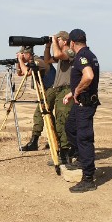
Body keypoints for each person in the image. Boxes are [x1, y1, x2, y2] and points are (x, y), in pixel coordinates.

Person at [63, 29, 100, 193]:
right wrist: (73, 93)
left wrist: (77, 91)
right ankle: (81, 158)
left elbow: (89, 76)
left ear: (71, 43)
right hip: (81, 102)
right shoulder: (89, 54)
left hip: (84, 105)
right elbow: (86, 80)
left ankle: (88, 178)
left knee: (84, 138)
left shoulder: (82, 56)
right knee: (70, 128)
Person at [43, 31, 75, 164]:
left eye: (59, 39)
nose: (57, 40)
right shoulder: (62, 55)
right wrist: (48, 45)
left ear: (65, 41)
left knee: (62, 121)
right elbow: (47, 60)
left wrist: (54, 42)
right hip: (59, 90)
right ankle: (63, 150)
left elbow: (57, 54)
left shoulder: (70, 52)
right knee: (57, 120)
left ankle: (65, 154)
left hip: (66, 89)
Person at [16, 46, 52, 151]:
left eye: (22, 54)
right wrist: (19, 62)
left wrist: (20, 60)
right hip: (47, 90)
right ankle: (55, 140)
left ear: (28, 54)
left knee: (39, 114)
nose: (21, 56)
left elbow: (27, 72)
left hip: (51, 89)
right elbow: (20, 73)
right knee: (49, 116)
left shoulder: (38, 61)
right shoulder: (33, 62)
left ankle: (34, 142)